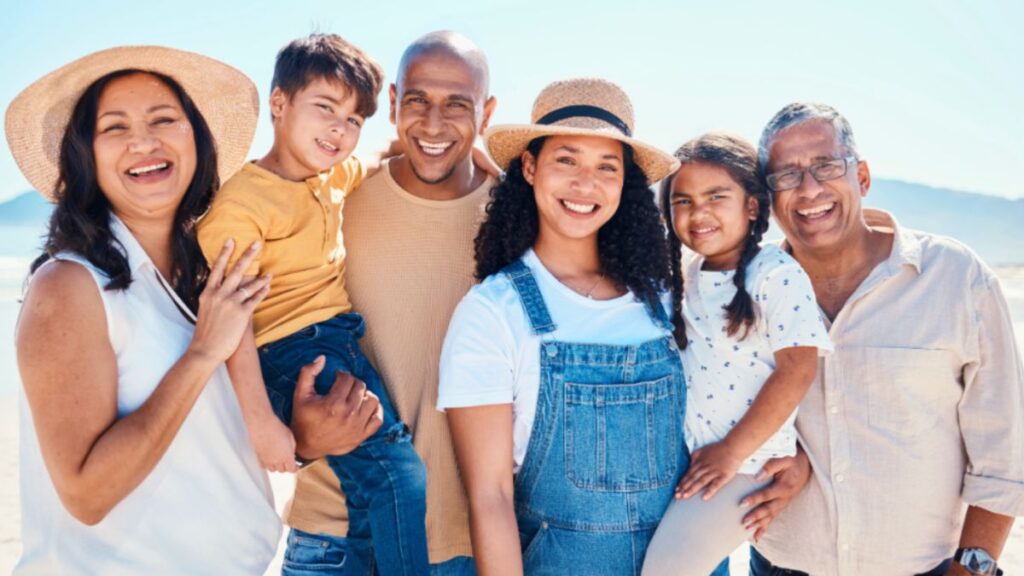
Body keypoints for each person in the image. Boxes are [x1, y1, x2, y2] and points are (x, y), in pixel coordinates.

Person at [7, 46, 280, 575]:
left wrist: (312, 432)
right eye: (114, 127)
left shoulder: (209, 275)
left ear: (197, 138)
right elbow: (86, 495)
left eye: (163, 120)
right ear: (85, 155)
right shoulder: (68, 285)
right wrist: (201, 354)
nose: (143, 142)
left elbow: (220, 438)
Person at [748, 102, 1024, 576]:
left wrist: (973, 568)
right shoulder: (749, 289)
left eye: (826, 166)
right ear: (769, 199)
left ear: (862, 177)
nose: (809, 189)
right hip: (782, 565)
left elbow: (1005, 442)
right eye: (787, 175)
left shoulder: (955, 276)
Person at [438, 76, 694, 574]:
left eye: (607, 166)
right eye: (567, 160)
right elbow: (490, 498)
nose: (585, 184)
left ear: (625, 183)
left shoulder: (665, 297)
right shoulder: (493, 311)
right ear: (529, 167)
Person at [196, 33, 430, 575]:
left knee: (372, 491)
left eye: (353, 119)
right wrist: (261, 421)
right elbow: (231, 322)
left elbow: (379, 157)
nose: (339, 129)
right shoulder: (241, 203)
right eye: (324, 107)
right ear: (279, 103)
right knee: (400, 476)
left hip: (337, 340)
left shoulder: (332, 176)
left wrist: (470, 155)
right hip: (289, 352)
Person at [279, 31, 497, 576]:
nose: (433, 124)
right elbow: (271, 331)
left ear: (487, 114)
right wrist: (298, 439)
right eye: (418, 100)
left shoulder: (515, 216)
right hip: (333, 537)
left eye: (458, 105)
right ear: (394, 102)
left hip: (466, 541)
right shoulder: (332, 200)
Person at [642, 133, 832, 576]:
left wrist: (731, 451)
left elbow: (797, 371)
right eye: (683, 201)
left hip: (747, 464)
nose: (699, 212)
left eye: (716, 197)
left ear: (751, 205)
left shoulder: (775, 273)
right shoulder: (688, 276)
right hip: (700, 461)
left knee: (668, 569)